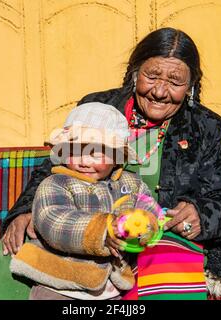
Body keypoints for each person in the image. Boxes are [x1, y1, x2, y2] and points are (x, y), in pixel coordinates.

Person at [0, 27, 221, 300]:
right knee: (10, 257)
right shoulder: (98, 107)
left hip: (152, 235)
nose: (160, 92)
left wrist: (201, 214)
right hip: (81, 225)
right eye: (151, 76)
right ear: (135, 72)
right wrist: (23, 212)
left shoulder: (207, 127)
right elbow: (53, 166)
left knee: (166, 265)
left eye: (175, 82)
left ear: (191, 86)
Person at [10, 102, 165, 300]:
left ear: (117, 156)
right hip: (59, 281)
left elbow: (148, 207)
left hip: (110, 285)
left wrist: (146, 225)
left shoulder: (130, 183)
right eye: (74, 151)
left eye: (95, 153)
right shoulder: (56, 183)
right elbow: (53, 220)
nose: (83, 161)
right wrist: (102, 232)